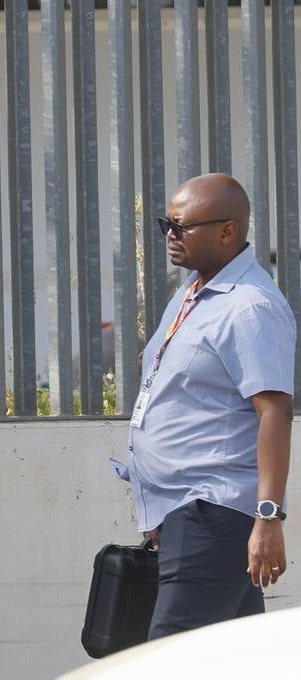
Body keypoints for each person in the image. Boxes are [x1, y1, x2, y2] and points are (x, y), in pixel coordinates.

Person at [126, 173, 294, 638]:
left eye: (181, 227)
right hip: (185, 511)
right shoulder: (191, 295)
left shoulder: (249, 307)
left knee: (170, 664)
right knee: (232, 673)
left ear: (227, 231)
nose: (170, 237)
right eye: (167, 224)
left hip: (213, 513)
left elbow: (275, 413)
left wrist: (268, 516)